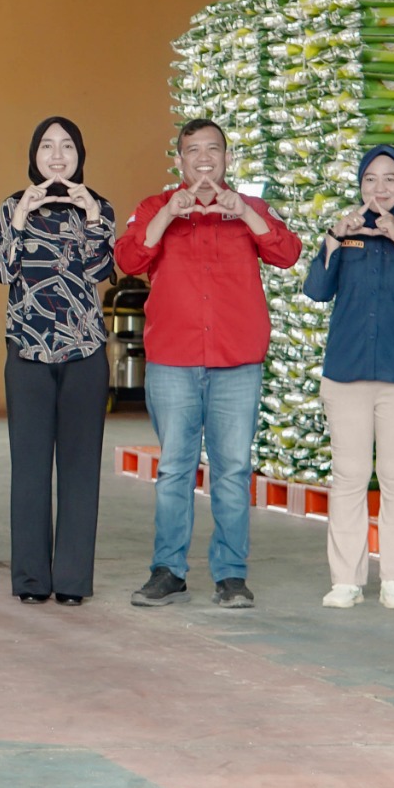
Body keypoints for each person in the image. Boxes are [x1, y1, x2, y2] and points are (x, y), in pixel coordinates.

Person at [117, 118, 303, 610]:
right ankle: (168, 570)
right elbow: (129, 260)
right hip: (174, 360)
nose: (203, 158)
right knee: (176, 467)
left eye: (213, 149)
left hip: (236, 360)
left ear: (227, 158)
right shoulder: (155, 207)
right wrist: (166, 217)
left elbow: (287, 253)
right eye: (192, 150)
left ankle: (231, 575)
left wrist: (245, 212)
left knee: (233, 469)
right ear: (178, 160)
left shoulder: (249, 210)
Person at [304, 144, 394, 611]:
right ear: (360, 185)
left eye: (389, 179)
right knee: (349, 475)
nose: (379, 188)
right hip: (347, 373)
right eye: (370, 179)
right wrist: (332, 237)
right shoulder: (347, 234)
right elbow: (316, 290)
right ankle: (346, 579)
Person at [0, 117, 116, 606]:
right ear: (34, 154)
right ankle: (31, 581)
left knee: (82, 471)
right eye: (47, 145)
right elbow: (1, 271)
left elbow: (103, 269)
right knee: (30, 470)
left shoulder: (97, 206)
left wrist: (93, 219)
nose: (57, 155)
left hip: (84, 353)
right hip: (27, 352)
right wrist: (19, 220)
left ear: (79, 155)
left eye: (67, 146)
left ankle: (72, 582)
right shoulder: (11, 206)